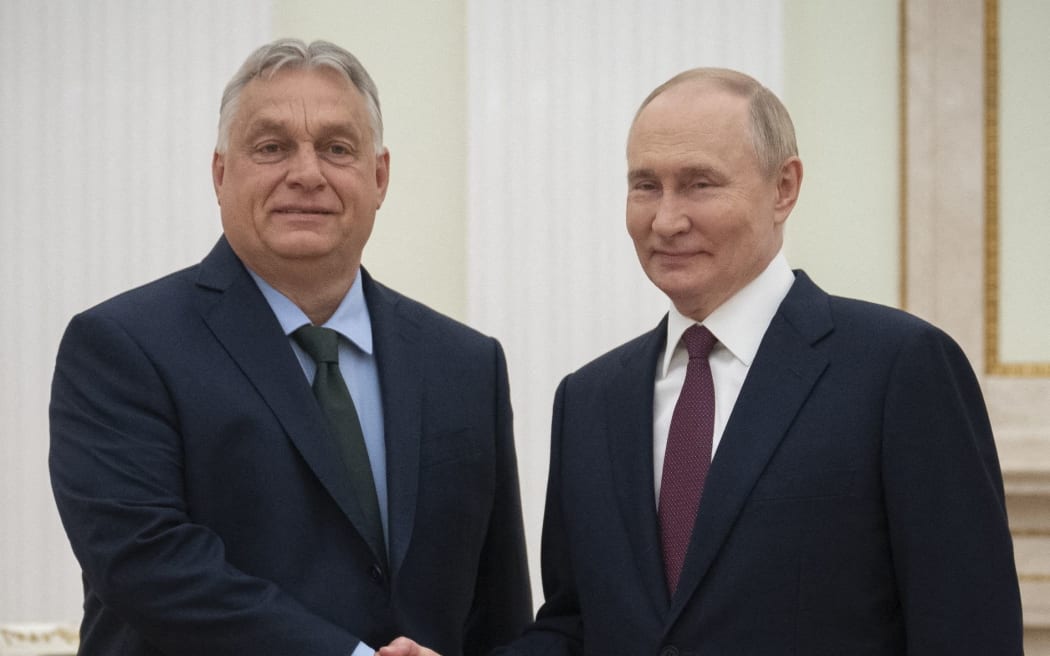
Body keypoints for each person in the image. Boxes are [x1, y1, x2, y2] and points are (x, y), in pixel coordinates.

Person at [382, 68, 1024, 655]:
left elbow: (967, 628)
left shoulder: (899, 369)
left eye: (699, 184)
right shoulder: (589, 400)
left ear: (784, 187)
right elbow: (577, 626)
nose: (666, 219)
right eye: (645, 186)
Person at [49, 38, 531, 656]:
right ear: (221, 174)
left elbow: (499, 603)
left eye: (336, 148)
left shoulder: (467, 363)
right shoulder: (122, 348)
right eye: (272, 147)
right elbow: (149, 565)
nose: (307, 174)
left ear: (379, 177)